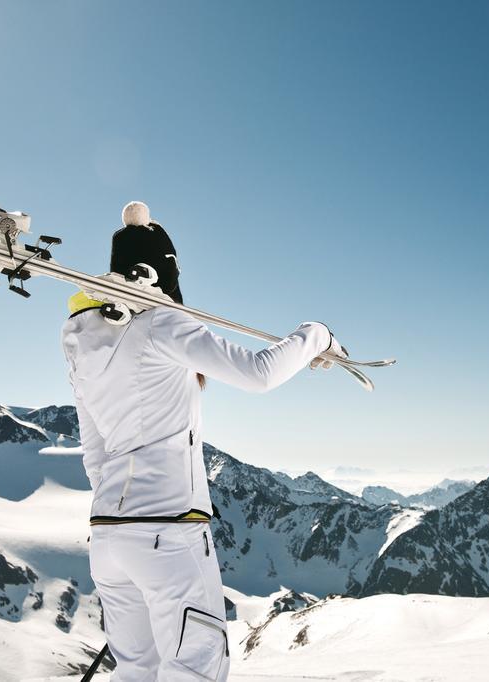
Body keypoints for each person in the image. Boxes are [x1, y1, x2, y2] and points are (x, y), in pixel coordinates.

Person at [61, 201, 348, 681]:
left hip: (108, 535)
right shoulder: (163, 323)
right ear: (165, 270)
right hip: (167, 531)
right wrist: (315, 335)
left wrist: (122, 508)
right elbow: (259, 372)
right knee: (197, 667)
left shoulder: (80, 340)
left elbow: (95, 448)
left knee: (136, 670)